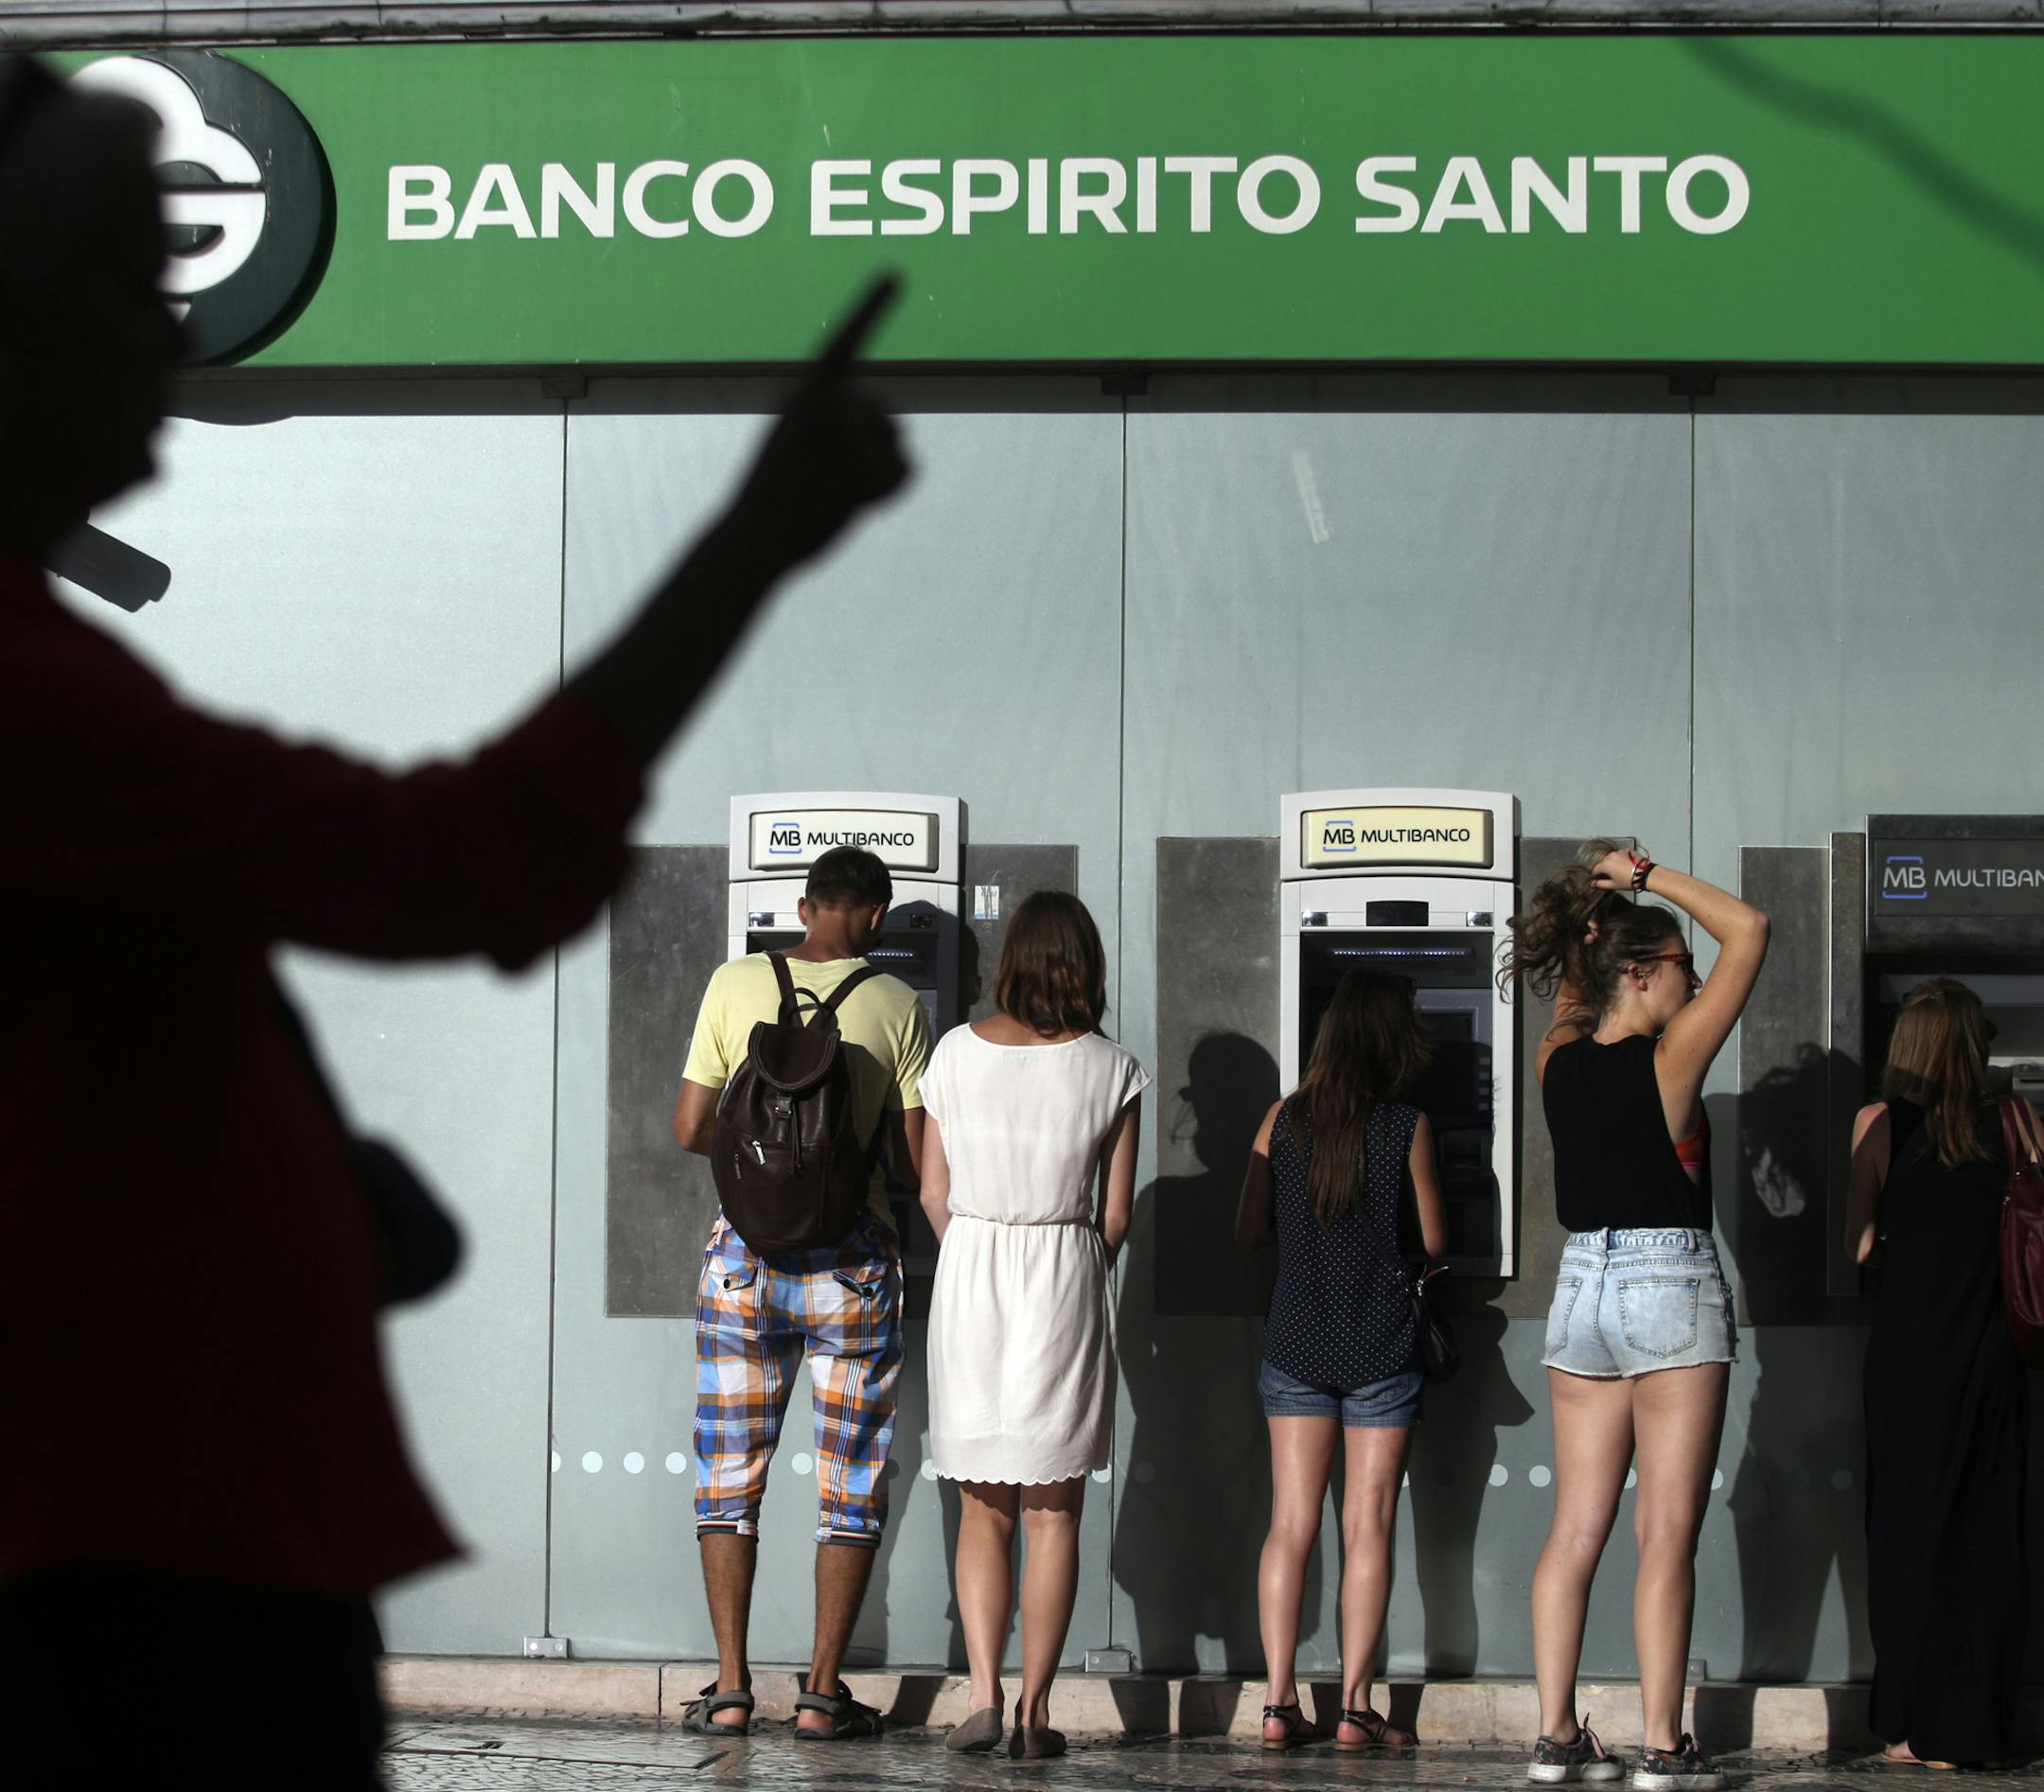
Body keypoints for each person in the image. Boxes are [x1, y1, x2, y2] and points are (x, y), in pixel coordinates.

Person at [0, 55, 908, 1791]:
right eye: (125, 289)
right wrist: (757, 536)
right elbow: (470, 859)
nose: (167, 344)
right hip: (137, 1546)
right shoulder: (41, 701)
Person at [1504, 843, 1767, 1791]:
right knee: (1665, 1532)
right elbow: (1753, 930)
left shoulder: (1556, 1058)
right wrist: (1644, 878)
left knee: (1574, 1527)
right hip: (1666, 1283)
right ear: (1641, 969)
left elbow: (1580, 990)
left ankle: (1555, 1735)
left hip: (1580, 1287)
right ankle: (1663, 1745)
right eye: (1681, 967)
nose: (1694, 981)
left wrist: (1595, 909)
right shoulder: (1672, 1059)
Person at [670, 845, 933, 1742]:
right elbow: (908, 1163)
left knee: (726, 1477)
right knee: (849, 1482)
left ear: (801, 903)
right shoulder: (899, 1004)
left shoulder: (733, 980)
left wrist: (762, 1173)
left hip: (742, 1263)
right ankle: (822, 1695)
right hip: (852, 1266)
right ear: (878, 915)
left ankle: (733, 1687)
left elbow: (688, 1127)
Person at [918, 891, 1147, 1760]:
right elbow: (1114, 1214)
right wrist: (1069, 1263)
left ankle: (982, 1693)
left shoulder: (953, 1054)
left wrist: (977, 1244)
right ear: (1085, 963)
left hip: (972, 1268)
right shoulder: (1114, 1067)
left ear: (1010, 958)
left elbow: (933, 1191)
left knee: (983, 1504)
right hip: (1065, 1269)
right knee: (1055, 1511)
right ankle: (1035, 1714)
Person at [1234, 969, 1447, 1752]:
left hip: (1296, 1341)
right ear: (1393, 1036)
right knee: (1369, 1523)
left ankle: (1279, 1703)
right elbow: (1433, 1241)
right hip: (1382, 1341)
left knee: (1290, 1523)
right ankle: (1356, 1708)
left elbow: (1249, 1231)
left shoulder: (1281, 1121)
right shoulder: (1406, 1126)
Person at [1845, 977, 2029, 1769]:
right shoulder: (2021, 1123)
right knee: (1986, 1540)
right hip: (1992, 1358)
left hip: (1909, 1361)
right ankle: (1971, 1728)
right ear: (1974, 1046)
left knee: (1905, 1536)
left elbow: (1856, 1248)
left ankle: (1909, 1728)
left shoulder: (1881, 1124)